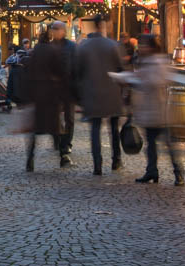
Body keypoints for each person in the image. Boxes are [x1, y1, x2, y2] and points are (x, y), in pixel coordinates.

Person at [126, 36, 184, 185]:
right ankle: (152, 171)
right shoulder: (145, 62)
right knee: (150, 144)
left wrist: (135, 80)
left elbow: (156, 81)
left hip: (160, 110)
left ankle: (178, 173)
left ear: (151, 47)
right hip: (149, 110)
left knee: (169, 145)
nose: (141, 48)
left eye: (144, 45)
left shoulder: (158, 62)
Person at [74, 14, 124, 175]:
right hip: (111, 92)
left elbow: (77, 71)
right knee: (114, 128)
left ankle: (97, 164)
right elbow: (121, 69)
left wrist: (80, 92)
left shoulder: (84, 46)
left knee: (95, 129)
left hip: (92, 92)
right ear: (102, 26)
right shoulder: (112, 45)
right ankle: (116, 160)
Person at [24, 27, 71, 172]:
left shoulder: (34, 52)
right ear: (50, 38)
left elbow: (28, 72)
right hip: (51, 93)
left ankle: (30, 159)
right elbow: (60, 71)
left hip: (37, 94)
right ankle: (63, 155)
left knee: (35, 128)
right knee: (55, 126)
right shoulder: (53, 51)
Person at [49, 21, 77, 161]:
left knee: (69, 118)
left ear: (64, 31)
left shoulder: (71, 47)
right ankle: (59, 140)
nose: (55, 31)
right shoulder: (48, 47)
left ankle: (66, 143)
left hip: (69, 87)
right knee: (54, 117)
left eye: (57, 29)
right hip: (53, 89)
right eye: (53, 29)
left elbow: (77, 66)